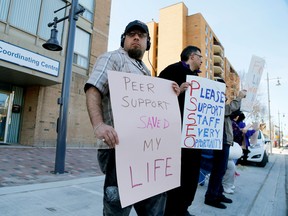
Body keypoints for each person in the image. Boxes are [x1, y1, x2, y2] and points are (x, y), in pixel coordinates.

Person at [84, 20, 180, 216]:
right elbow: (93, 88)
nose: (136, 37)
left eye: (141, 35)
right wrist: (99, 125)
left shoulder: (145, 72)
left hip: (148, 152)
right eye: (131, 34)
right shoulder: (112, 59)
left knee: (153, 210)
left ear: (147, 43)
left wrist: (170, 96)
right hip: (120, 150)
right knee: (117, 210)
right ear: (124, 39)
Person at [158, 45, 203, 216]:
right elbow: (157, 99)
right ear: (192, 56)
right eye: (200, 57)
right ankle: (172, 210)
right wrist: (179, 93)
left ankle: (183, 208)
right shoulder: (172, 70)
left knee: (191, 174)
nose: (201, 61)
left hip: (193, 136)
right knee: (177, 173)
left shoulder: (199, 80)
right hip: (175, 135)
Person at [204, 79, 247, 209]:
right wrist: (239, 97)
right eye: (223, 89)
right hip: (220, 141)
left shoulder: (220, 104)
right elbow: (230, 108)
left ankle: (218, 193)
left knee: (221, 170)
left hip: (224, 141)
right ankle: (211, 197)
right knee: (218, 170)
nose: (224, 94)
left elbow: (231, 110)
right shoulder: (214, 104)